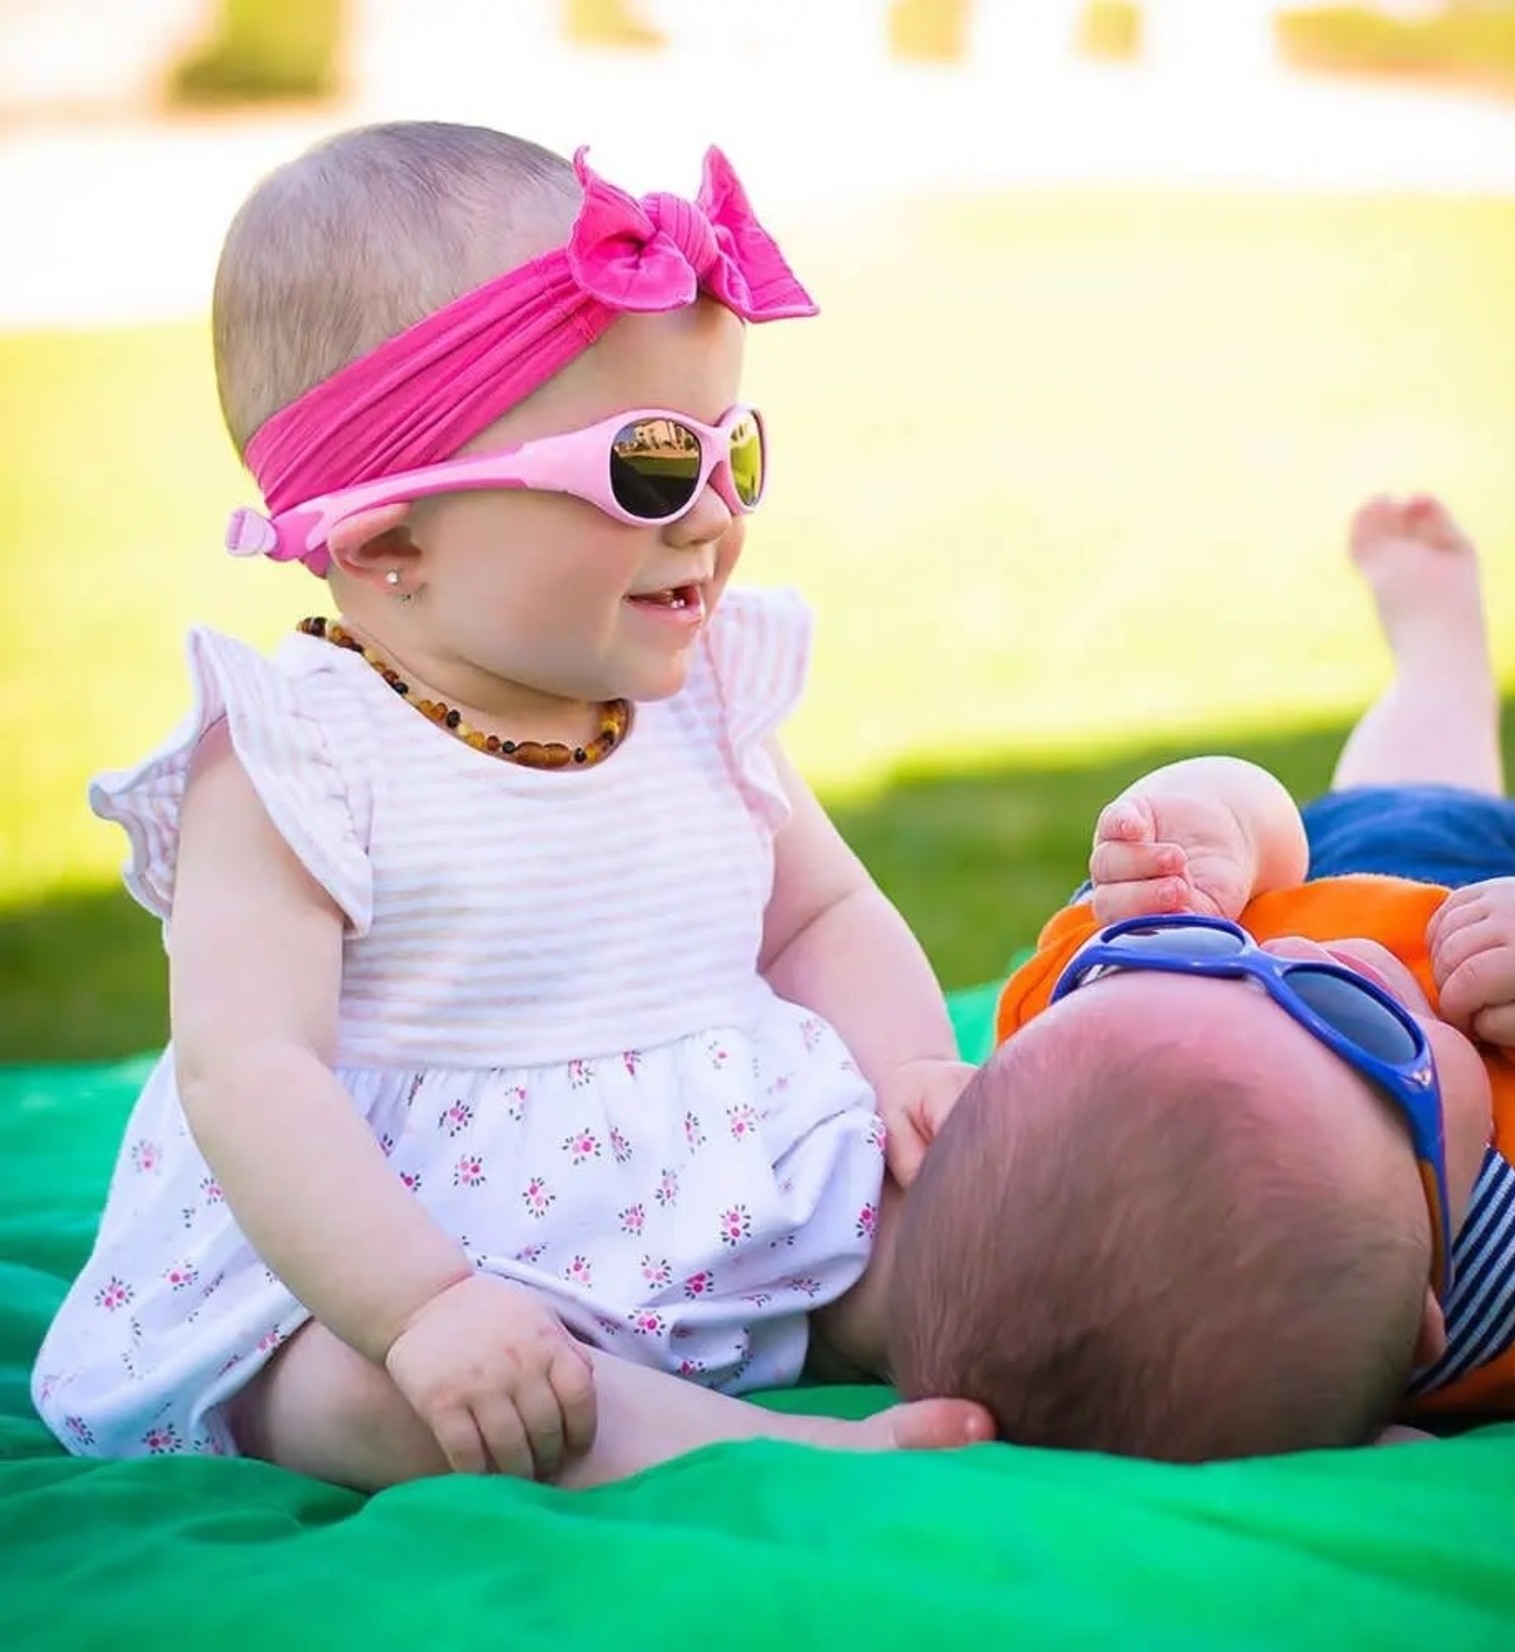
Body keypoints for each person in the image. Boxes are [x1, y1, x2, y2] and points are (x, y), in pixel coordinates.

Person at [31, 120, 990, 1490]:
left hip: (726, 1185)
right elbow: (252, 1073)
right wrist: (421, 1306)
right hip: (396, 1249)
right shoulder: (297, 754)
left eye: (737, 453)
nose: (714, 514)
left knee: (964, 1232)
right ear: (388, 538)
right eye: (650, 469)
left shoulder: (700, 690)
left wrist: (902, 1072)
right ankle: (749, 1448)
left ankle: (1127, 1351)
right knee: (365, 1397)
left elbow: (817, 912)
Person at [885, 494, 1515, 1462]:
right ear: (1427, 1320)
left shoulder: (1088, 1014)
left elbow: (1226, 838)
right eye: (1353, 1019)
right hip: (1478, 934)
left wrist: (1211, 837)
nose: (1302, 956)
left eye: (1201, 968)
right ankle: (1441, 651)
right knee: (1414, 801)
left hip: (1252, 879)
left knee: (1309, 838)